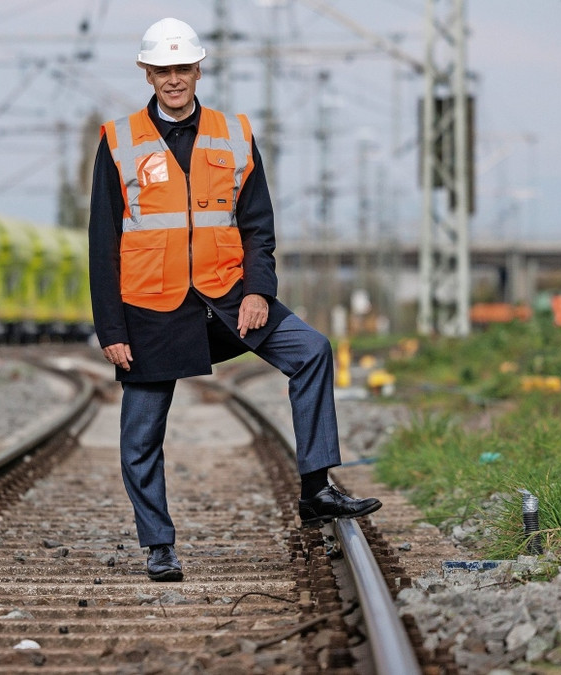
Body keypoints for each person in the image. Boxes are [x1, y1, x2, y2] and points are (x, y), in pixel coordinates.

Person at [88, 17, 382, 582]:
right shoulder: (118, 141)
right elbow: (104, 243)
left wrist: (258, 291)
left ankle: (317, 488)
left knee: (312, 350)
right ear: (147, 74)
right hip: (154, 307)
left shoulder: (235, 133)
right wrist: (112, 329)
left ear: (199, 69)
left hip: (227, 300)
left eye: (183, 68)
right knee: (140, 434)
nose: (174, 79)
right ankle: (159, 545)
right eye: (163, 69)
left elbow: (258, 226)